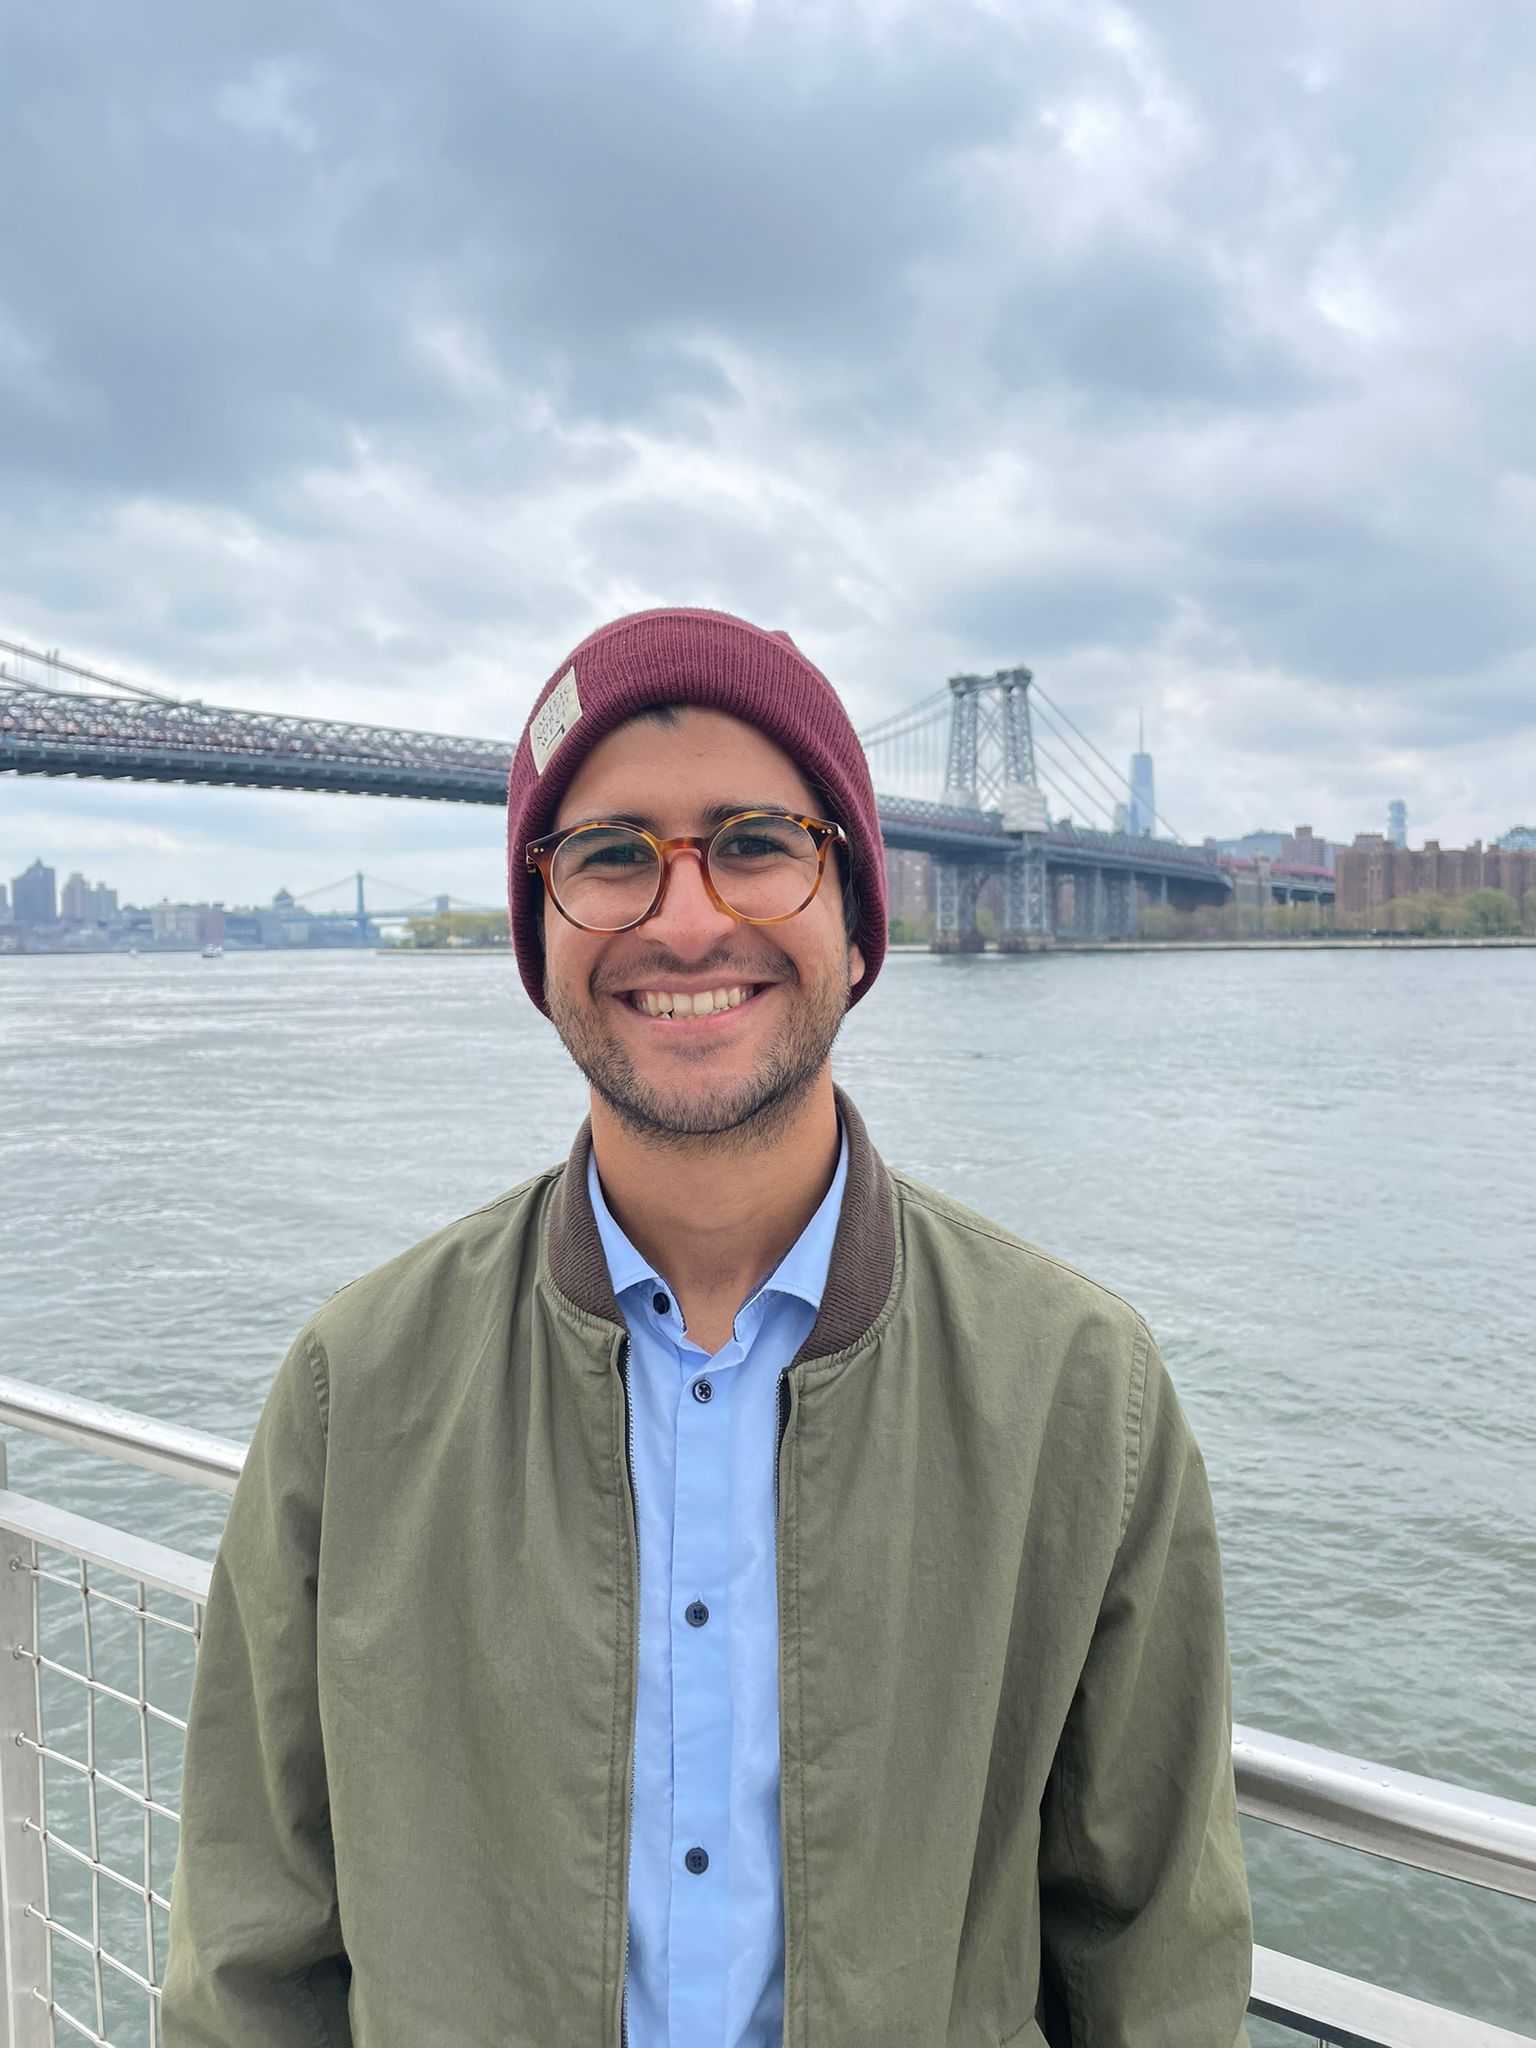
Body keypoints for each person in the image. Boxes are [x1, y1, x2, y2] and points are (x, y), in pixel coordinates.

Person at [163, 607, 1252, 2048]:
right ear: (536, 933)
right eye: (611, 855)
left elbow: (1154, 1958)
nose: (686, 918)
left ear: (857, 914)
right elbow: (250, 1966)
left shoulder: (1078, 1391)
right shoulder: (349, 1395)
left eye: (756, 843)